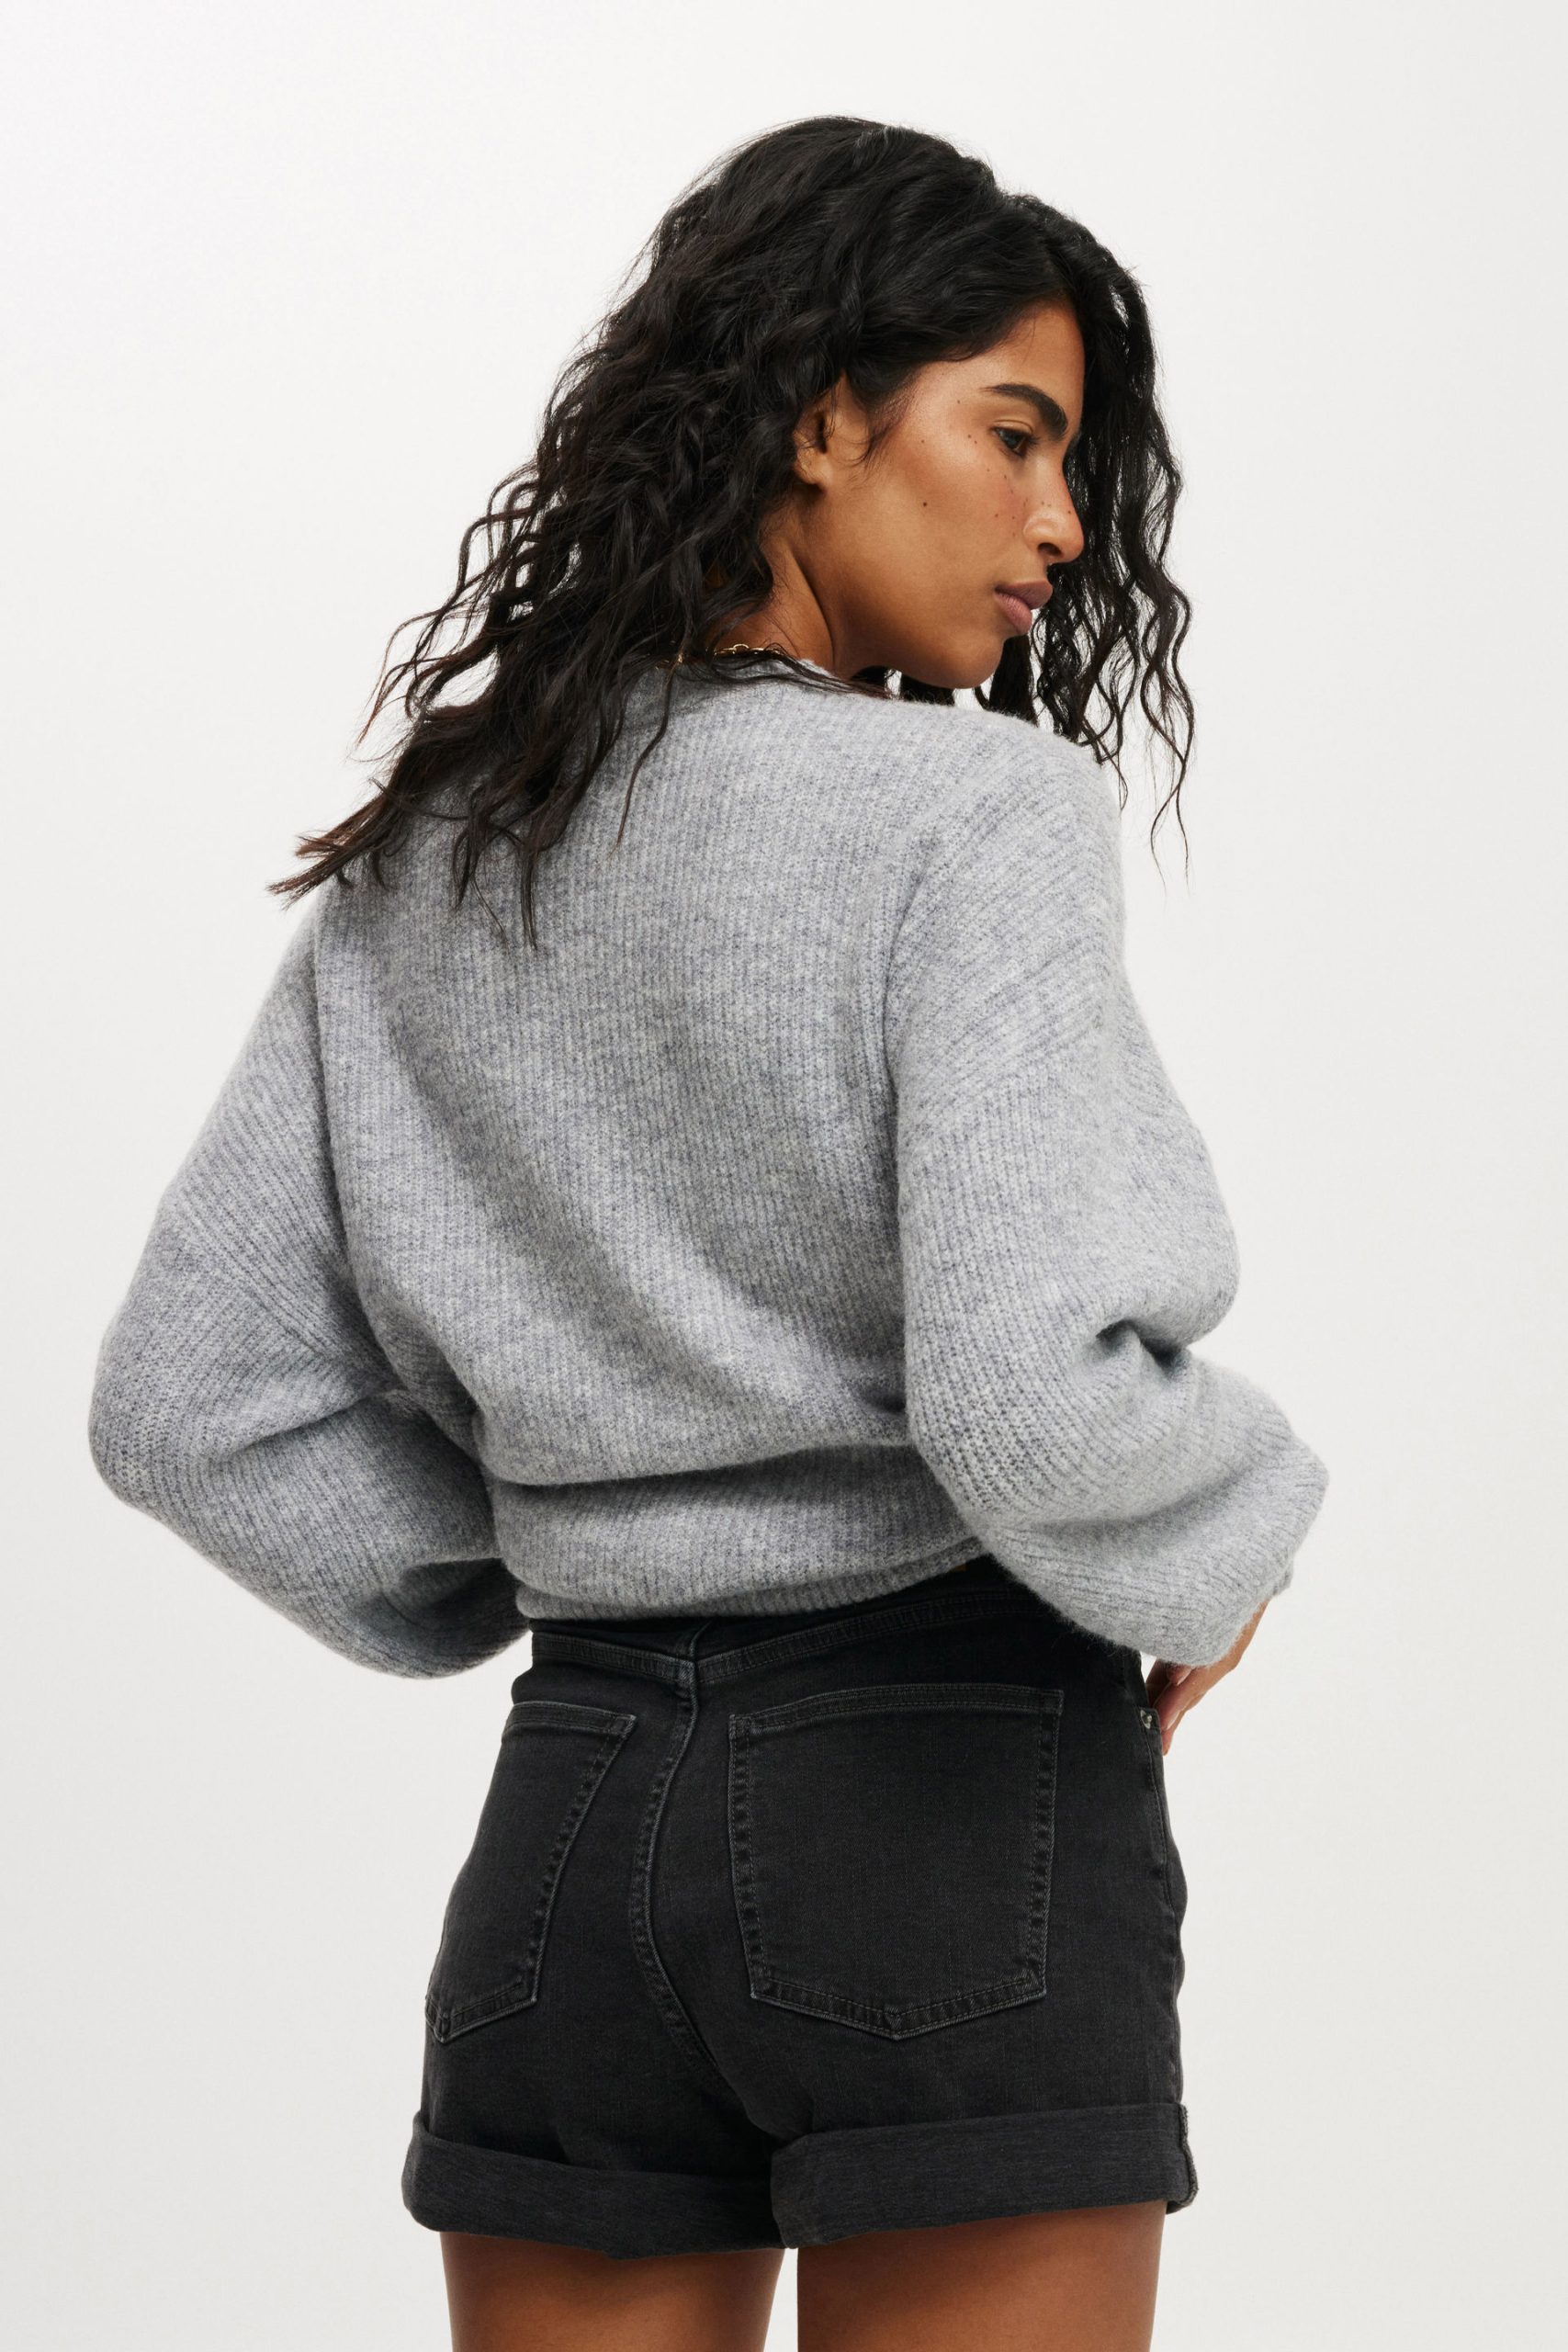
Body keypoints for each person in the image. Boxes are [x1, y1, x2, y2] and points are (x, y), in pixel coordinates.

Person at [87, 115, 1328, 2352]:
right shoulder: (971, 811)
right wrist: (1229, 1536)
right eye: (1014, 434)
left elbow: (188, 1404)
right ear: (818, 417)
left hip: (571, 1839)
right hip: (944, 1807)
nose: (1062, 522)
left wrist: (565, 1534)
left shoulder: (448, 841)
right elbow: (1024, 1402)